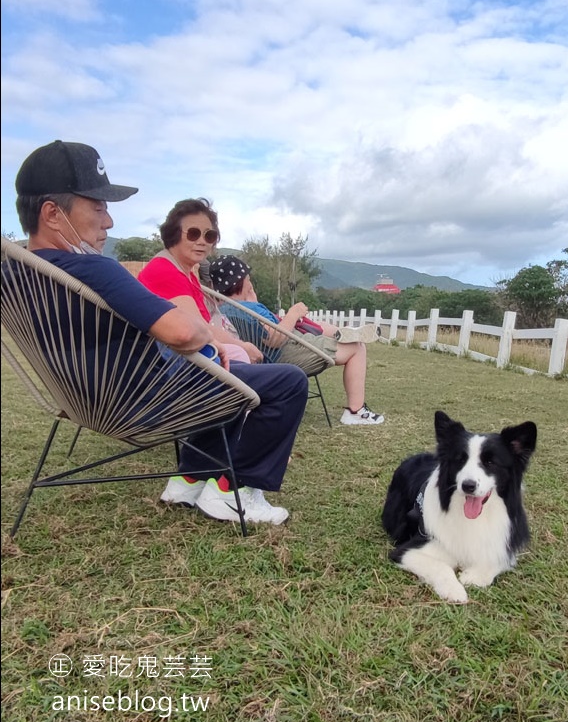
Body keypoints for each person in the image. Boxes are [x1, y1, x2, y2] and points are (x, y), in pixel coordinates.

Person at [13, 141, 308, 525]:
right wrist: (210, 340)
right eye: (99, 207)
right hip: (145, 403)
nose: (109, 222)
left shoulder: (15, 275)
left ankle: (188, 480)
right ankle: (232, 492)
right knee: (287, 382)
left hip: (85, 399)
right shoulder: (94, 270)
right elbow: (183, 332)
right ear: (53, 214)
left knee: (210, 375)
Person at [208, 255, 386, 426]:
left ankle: (343, 333)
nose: (250, 280)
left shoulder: (225, 310)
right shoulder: (247, 309)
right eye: (247, 277)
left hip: (272, 355)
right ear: (241, 281)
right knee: (357, 348)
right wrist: (294, 313)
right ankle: (355, 411)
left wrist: (254, 301)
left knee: (322, 326)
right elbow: (274, 339)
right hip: (287, 352)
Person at [138, 198, 261, 367]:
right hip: (179, 367)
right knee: (290, 378)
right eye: (193, 233)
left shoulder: (187, 273)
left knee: (283, 375)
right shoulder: (164, 271)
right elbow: (198, 329)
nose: (202, 241)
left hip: (200, 358)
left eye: (209, 235)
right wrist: (243, 346)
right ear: (173, 234)